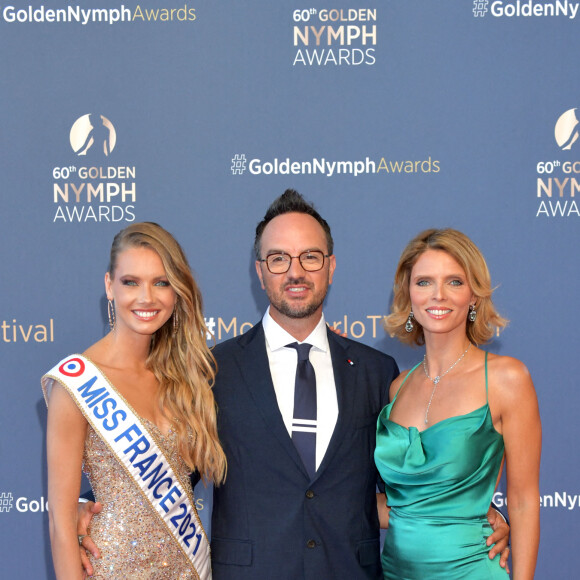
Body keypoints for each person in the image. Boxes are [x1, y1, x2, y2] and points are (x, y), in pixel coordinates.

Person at [77, 192, 510, 579]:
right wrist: (86, 504)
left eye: (311, 257)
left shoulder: (378, 372)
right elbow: (165, 464)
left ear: (331, 267)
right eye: (279, 258)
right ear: (260, 272)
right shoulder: (211, 369)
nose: (295, 271)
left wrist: (471, 513)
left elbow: (407, 485)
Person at [42, 222, 226, 579]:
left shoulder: (188, 376)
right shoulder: (76, 383)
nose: (147, 298)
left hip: (188, 569)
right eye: (131, 282)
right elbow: (61, 523)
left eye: (161, 282)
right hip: (113, 569)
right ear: (109, 286)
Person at [376, 228, 541, 579]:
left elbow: (525, 500)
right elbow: (395, 503)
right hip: (395, 572)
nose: (438, 295)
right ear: (408, 293)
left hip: (472, 570)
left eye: (454, 281)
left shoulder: (506, 378)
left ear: (474, 296)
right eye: (423, 282)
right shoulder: (397, 388)